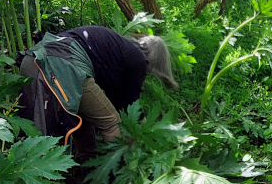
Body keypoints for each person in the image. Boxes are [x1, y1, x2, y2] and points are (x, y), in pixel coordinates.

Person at [17, 25, 178, 155]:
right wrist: (145, 128)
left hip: (34, 60)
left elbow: (114, 99)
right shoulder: (138, 59)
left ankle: (87, 168)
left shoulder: (119, 48)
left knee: (86, 118)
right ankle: (120, 174)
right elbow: (130, 105)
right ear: (154, 59)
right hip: (60, 67)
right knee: (111, 123)